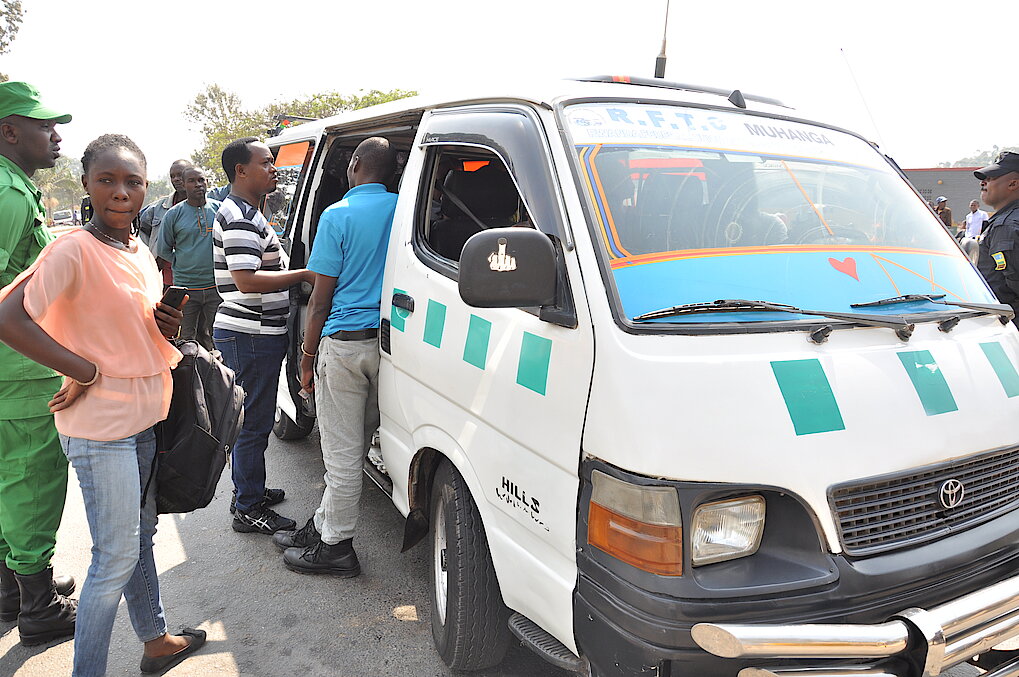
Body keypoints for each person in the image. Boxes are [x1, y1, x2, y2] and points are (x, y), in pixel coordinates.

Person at [0, 134, 206, 676]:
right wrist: (82, 370)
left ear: (146, 188)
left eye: (132, 181)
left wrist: (167, 327)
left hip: (145, 422)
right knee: (114, 559)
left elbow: (129, 333)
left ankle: (156, 641)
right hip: (103, 431)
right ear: (87, 185)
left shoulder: (138, 251)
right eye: (107, 180)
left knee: (138, 541)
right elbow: (9, 317)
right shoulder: (72, 249)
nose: (121, 192)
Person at [273, 137, 398, 576]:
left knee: (342, 457)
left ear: (356, 163)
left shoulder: (338, 215)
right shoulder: (404, 209)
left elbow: (319, 301)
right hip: (389, 347)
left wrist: (306, 358)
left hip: (343, 347)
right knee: (355, 447)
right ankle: (323, 525)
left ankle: (336, 548)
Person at [0, 81, 77, 646]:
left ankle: (14, 588)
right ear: (9, 131)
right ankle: (39, 607)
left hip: (12, 369)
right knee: (32, 481)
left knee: (9, 479)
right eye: (44, 126)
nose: (56, 137)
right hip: (20, 372)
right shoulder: (7, 194)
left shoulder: (15, 187)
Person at [213, 137, 312, 534]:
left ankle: (247, 490)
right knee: (253, 424)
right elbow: (247, 280)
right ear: (241, 171)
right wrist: (305, 274)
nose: (274, 169)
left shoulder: (249, 212)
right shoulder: (239, 215)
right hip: (249, 334)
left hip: (254, 333)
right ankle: (248, 508)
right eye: (266, 163)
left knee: (254, 420)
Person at [153, 166, 221, 350]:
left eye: (201, 180)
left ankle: (219, 370)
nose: (198, 185)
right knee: (185, 340)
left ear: (207, 182)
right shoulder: (173, 214)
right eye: (192, 181)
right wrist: (182, 262)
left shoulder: (219, 209)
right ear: (183, 185)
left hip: (216, 287)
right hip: (186, 289)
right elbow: (164, 249)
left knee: (218, 337)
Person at [975, 152, 1019, 327]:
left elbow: (1011, 288)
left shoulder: (1006, 226)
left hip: (1007, 326)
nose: (983, 183)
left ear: (1013, 183)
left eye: (991, 178)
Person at [139, 158, 192, 288]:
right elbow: (142, 231)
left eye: (180, 175)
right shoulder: (158, 208)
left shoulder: (207, 207)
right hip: (168, 279)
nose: (176, 179)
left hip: (198, 278)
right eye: (172, 176)